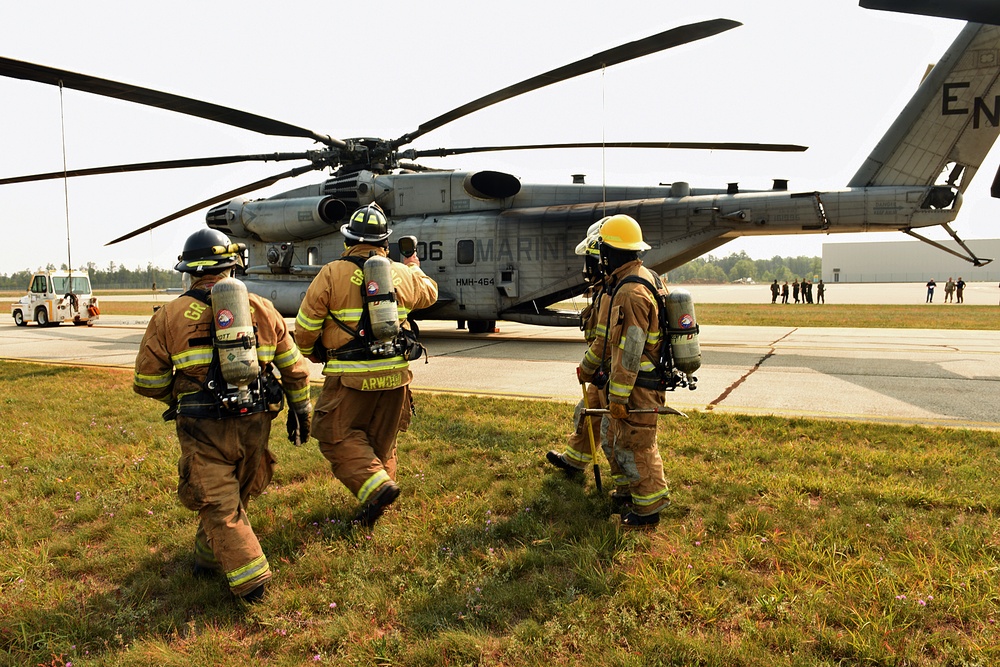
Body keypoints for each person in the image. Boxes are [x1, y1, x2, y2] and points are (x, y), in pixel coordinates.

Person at [133, 229, 313, 603]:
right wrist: (302, 410)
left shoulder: (169, 315)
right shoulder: (262, 308)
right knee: (233, 494)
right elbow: (296, 370)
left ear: (191, 272)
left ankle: (253, 584)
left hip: (204, 427)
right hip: (256, 420)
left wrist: (183, 395)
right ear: (232, 266)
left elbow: (147, 381)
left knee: (217, 499)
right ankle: (206, 561)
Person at [295, 204, 438, 528]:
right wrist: (413, 267)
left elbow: (305, 330)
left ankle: (378, 489)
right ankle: (378, 503)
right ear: (384, 243)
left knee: (335, 436)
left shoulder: (331, 273)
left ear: (348, 241)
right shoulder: (400, 274)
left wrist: (311, 353)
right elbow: (430, 293)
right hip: (396, 376)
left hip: (350, 379)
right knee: (382, 442)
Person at [577, 214, 671, 528]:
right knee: (622, 441)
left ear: (611, 252)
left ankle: (648, 511)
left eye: (602, 251)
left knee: (637, 445)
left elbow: (630, 351)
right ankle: (632, 496)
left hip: (638, 386)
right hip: (638, 384)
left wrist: (617, 397)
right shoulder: (639, 278)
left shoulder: (630, 292)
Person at [547, 220, 610, 478]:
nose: (587, 269)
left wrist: (586, 368)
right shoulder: (604, 290)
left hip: (617, 375)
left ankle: (630, 489)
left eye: (590, 261)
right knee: (586, 412)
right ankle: (574, 463)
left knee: (616, 434)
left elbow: (604, 341)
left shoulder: (613, 292)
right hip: (604, 373)